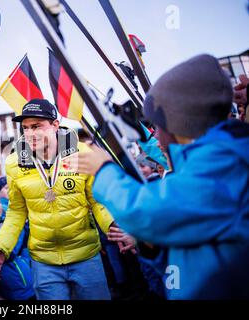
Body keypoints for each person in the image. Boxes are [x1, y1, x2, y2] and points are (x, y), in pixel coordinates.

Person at [68, 54, 249, 299]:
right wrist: (152, 246)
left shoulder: (226, 161)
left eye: (158, 124)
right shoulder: (211, 158)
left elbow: (146, 212)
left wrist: (104, 171)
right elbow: (191, 245)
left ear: (178, 123)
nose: (157, 136)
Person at [0, 99, 124, 300]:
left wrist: (113, 226)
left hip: (85, 255)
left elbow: (97, 200)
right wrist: (2, 246)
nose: (30, 133)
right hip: (43, 260)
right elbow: (16, 211)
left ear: (55, 125)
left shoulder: (81, 152)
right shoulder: (14, 163)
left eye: (37, 126)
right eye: (26, 128)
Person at [0, 191, 34, 300]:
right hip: (13, 282)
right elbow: (11, 250)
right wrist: (20, 227)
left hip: (24, 276)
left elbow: (23, 246)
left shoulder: (4, 221)